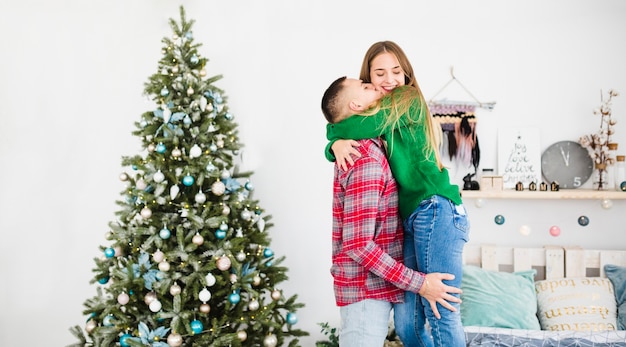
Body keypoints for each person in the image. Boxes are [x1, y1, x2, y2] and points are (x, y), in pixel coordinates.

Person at [323, 47, 470, 347]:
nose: (389, 79)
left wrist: (333, 141)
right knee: (406, 324)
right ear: (368, 81)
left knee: (442, 309)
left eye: (396, 71)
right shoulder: (372, 133)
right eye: (378, 74)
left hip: (435, 205)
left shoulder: (407, 99)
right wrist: (336, 143)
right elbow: (354, 122)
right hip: (413, 216)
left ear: (406, 74)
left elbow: (351, 122)